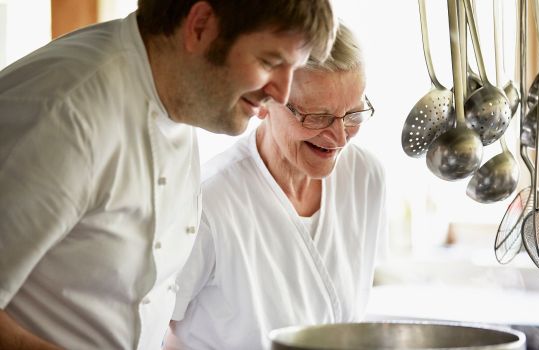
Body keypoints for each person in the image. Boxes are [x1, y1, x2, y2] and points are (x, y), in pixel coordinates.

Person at [0, 1, 336, 349]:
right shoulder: (65, 113)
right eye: (269, 62)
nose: (281, 94)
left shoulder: (181, 99)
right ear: (200, 26)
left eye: (292, 70)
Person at [167, 23, 388, 350]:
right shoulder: (208, 202)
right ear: (264, 102)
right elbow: (155, 329)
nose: (339, 137)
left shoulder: (365, 176)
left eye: (353, 114)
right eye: (317, 116)